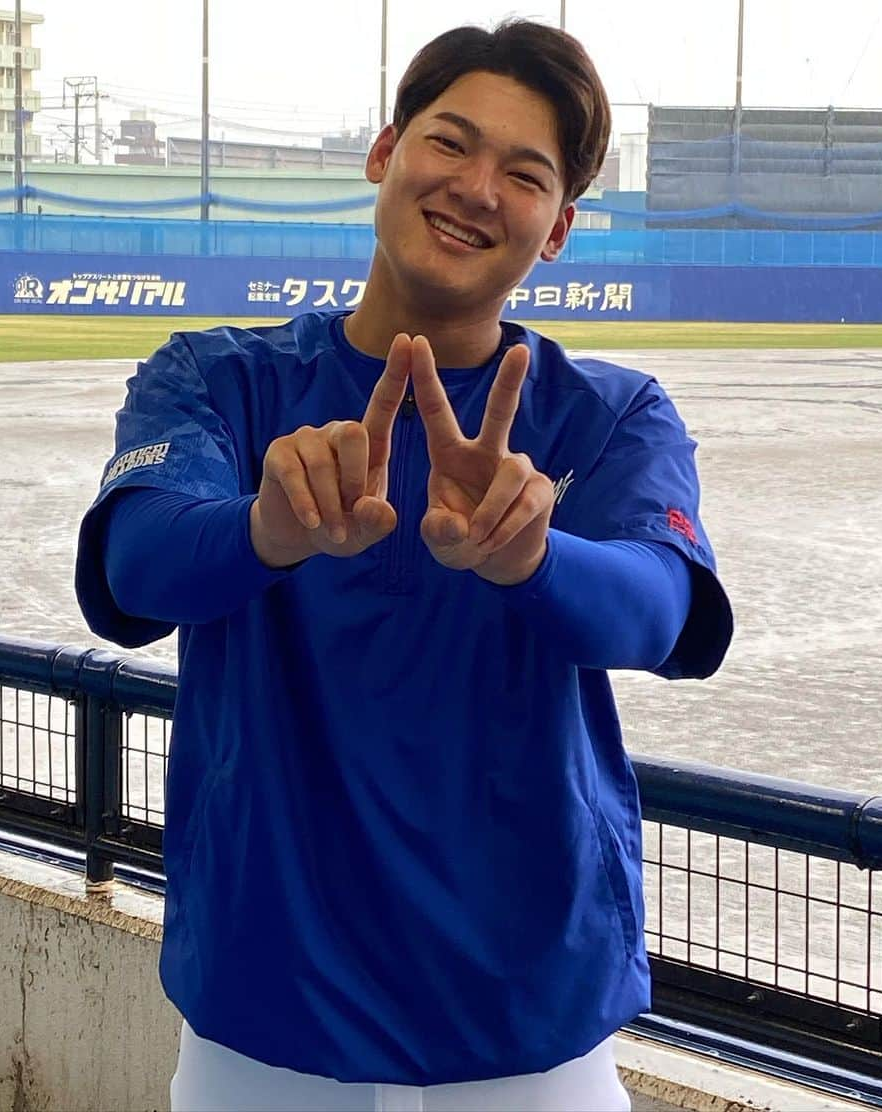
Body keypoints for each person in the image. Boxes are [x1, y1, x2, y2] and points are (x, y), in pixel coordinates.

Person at [75, 19, 733, 1112]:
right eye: (450, 143)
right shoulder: (218, 379)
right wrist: (267, 528)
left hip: (530, 1029)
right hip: (269, 1020)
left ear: (559, 227)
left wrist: (535, 557)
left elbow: (666, 612)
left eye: (524, 174)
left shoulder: (610, 413)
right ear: (386, 152)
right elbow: (134, 571)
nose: (477, 188)